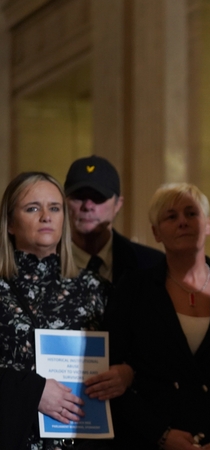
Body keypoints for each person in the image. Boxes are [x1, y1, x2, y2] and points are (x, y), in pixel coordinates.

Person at [104, 183, 210, 450]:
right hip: (150, 441)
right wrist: (159, 434)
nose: (182, 222)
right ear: (156, 232)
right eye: (171, 216)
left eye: (191, 213)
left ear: (207, 225)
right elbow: (113, 371)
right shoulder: (134, 289)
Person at [0, 172, 107, 449]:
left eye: (55, 208)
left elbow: (131, 359)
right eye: (32, 208)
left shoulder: (95, 288)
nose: (46, 216)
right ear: (10, 223)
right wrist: (31, 391)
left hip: (84, 437)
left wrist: (125, 373)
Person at [64, 155, 163, 285]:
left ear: (118, 204)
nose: (88, 206)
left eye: (98, 197)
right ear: (64, 202)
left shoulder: (151, 264)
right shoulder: (42, 263)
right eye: (79, 197)